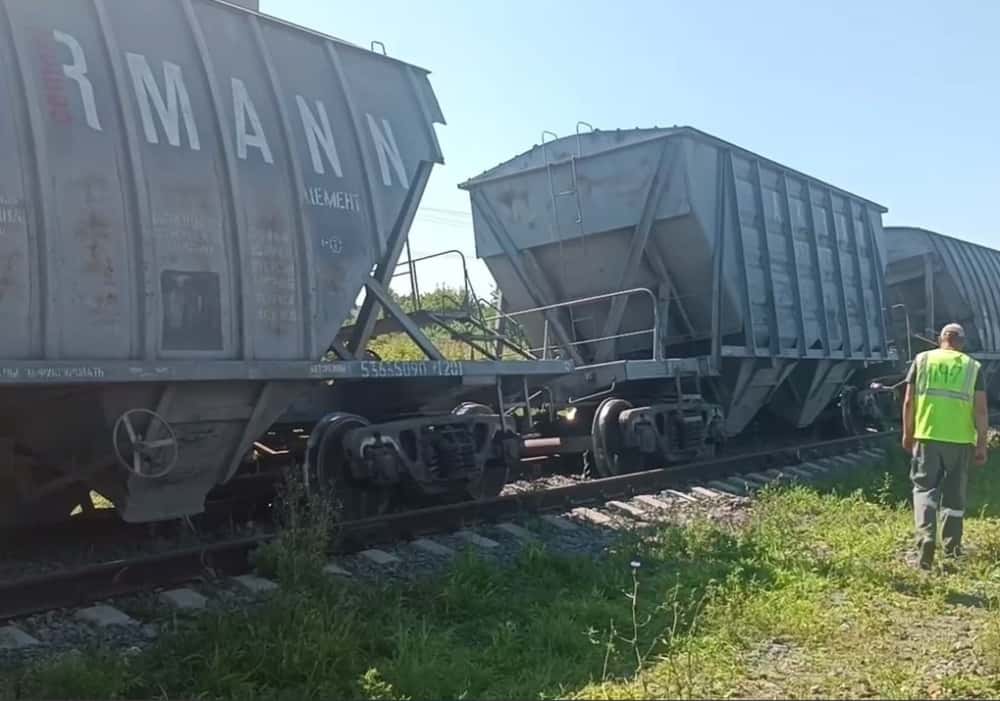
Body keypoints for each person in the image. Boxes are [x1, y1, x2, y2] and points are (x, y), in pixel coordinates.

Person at [901, 323, 988, 570]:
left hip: (927, 436)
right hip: (960, 441)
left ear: (941, 339)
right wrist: (982, 444)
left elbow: (909, 401)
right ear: (962, 342)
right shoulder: (973, 367)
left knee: (924, 489)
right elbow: (980, 411)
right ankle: (952, 550)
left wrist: (908, 433)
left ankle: (926, 539)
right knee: (954, 496)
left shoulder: (922, 360)